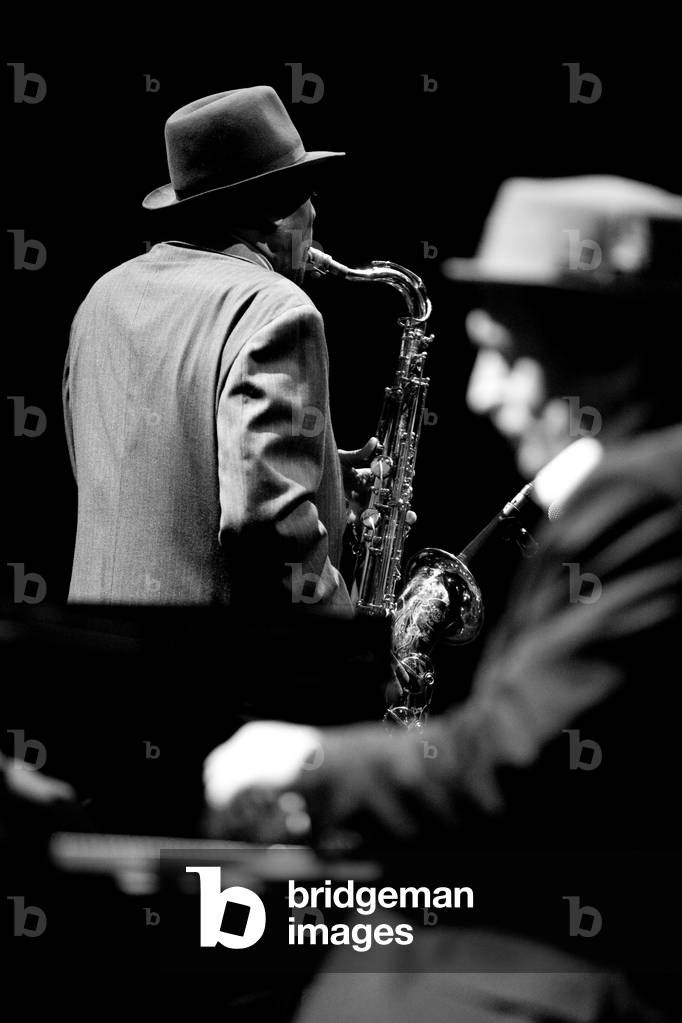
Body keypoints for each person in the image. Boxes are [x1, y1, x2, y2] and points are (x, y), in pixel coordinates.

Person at [203, 176, 682, 1021]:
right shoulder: (635, 490)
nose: (482, 393)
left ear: (598, 350)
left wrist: (311, 763)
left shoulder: (649, 500)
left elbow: (518, 762)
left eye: (506, 351)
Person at [63, 85, 363, 609]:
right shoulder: (276, 307)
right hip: (216, 676)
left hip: (89, 658)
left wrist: (325, 483)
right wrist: (356, 636)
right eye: (309, 194)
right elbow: (267, 529)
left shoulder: (100, 298)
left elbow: (142, 472)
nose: (315, 215)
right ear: (274, 210)